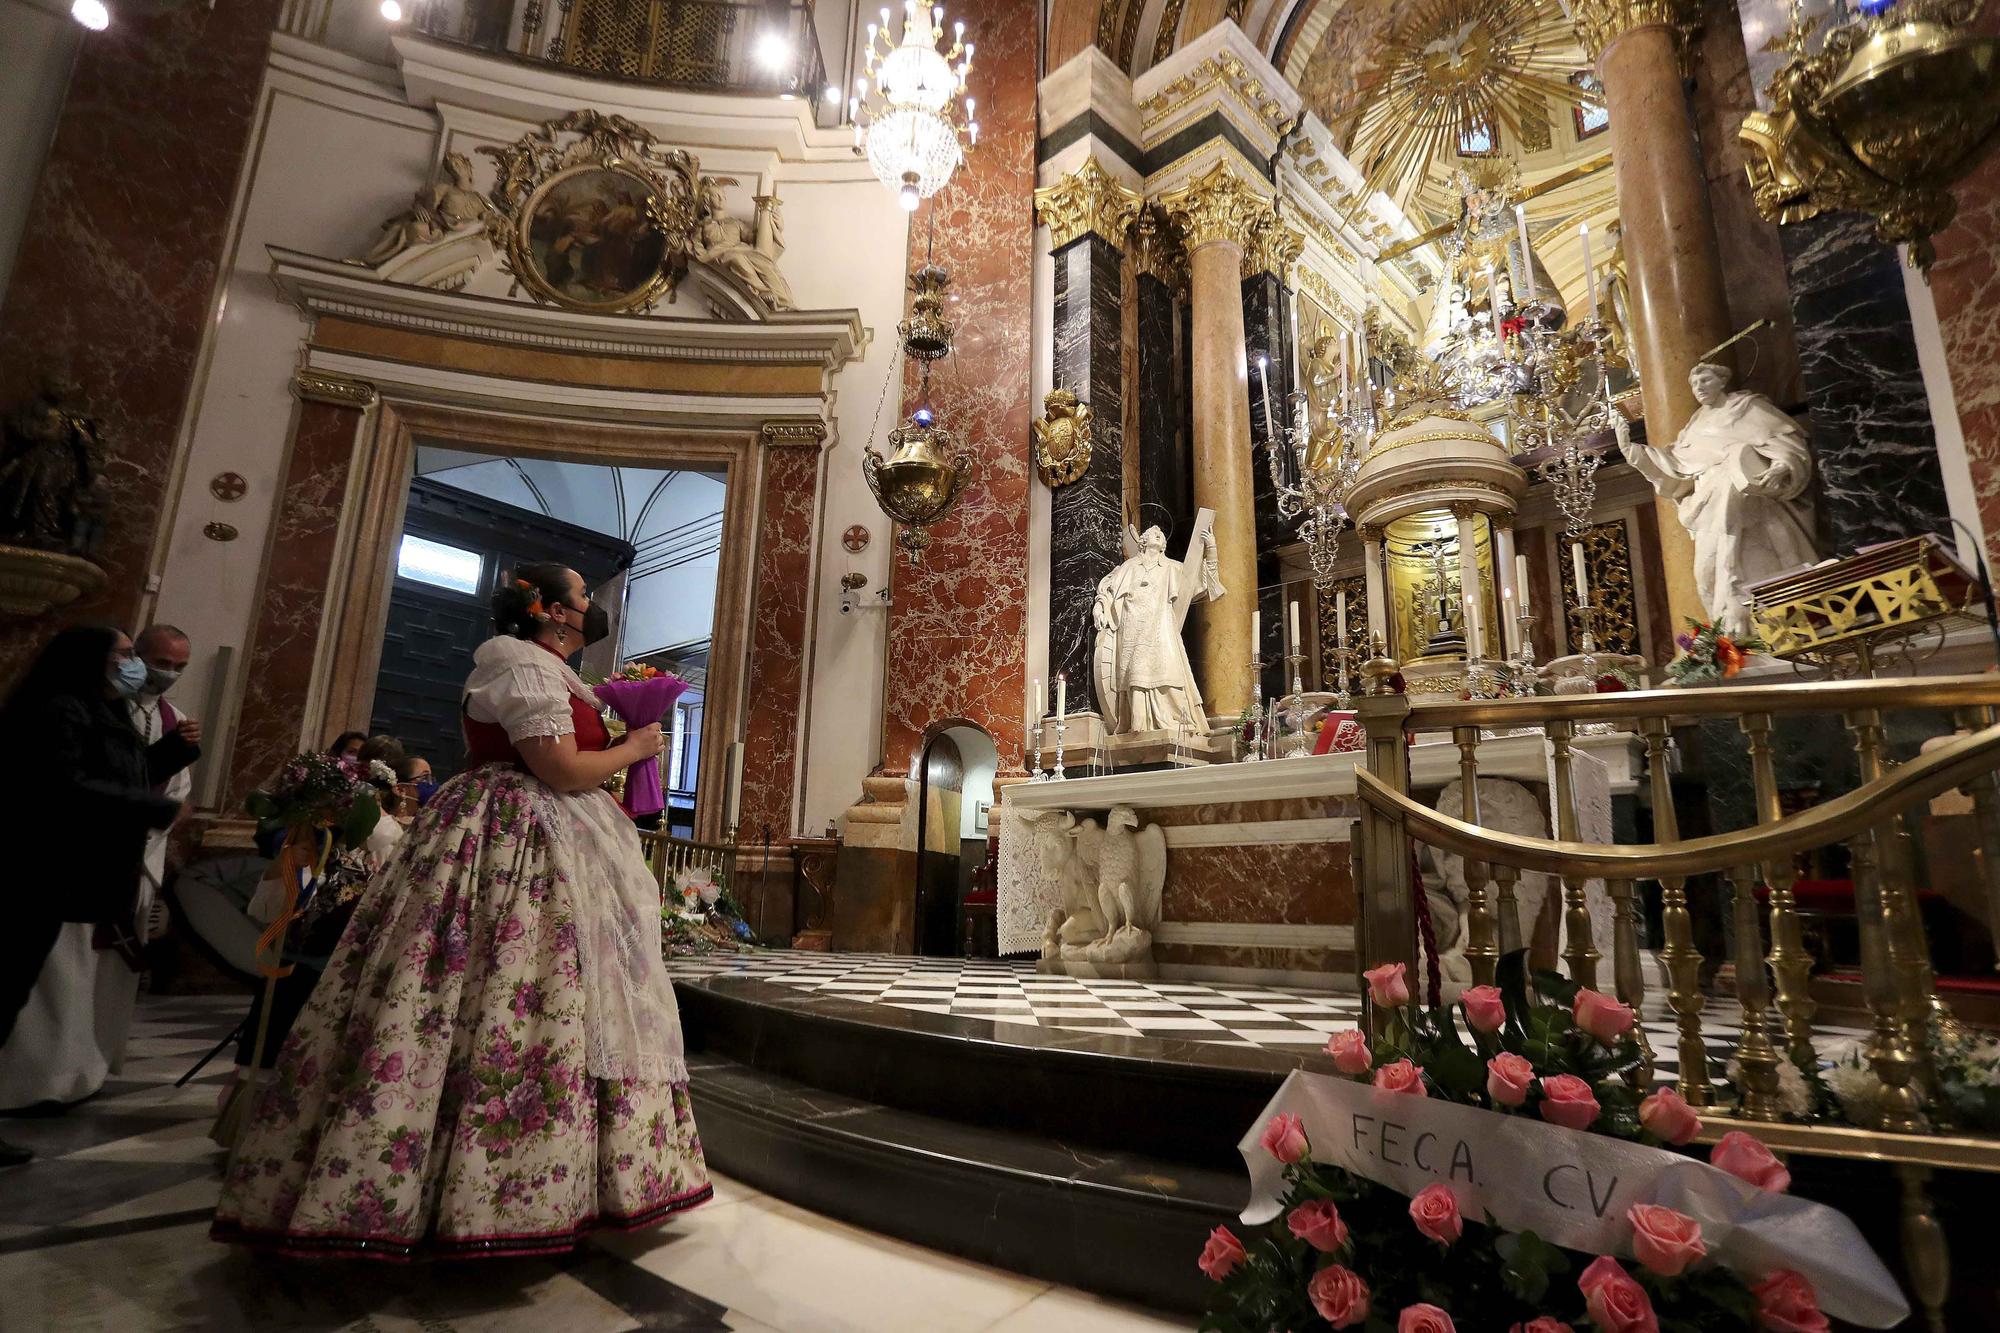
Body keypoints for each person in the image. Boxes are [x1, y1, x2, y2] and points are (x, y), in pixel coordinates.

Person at [213, 562, 709, 1254]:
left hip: (567, 842)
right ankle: (456, 1186)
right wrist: (635, 746)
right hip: (513, 843)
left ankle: (557, 1180)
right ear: (552, 611)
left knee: (565, 1003)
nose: (591, 605)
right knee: (497, 993)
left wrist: (630, 740)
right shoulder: (513, 660)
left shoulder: (560, 673)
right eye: (582, 596)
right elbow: (558, 767)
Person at [0, 626, 195, 1163]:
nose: (135, 665)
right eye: (128, 655)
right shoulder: (58, 709)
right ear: (92, 659)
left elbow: (122, 775)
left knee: (12, 991)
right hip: (34, 868)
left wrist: (172, 754)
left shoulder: (101, 711)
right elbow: (60, 787)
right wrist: (158, 809)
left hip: (69, 875)